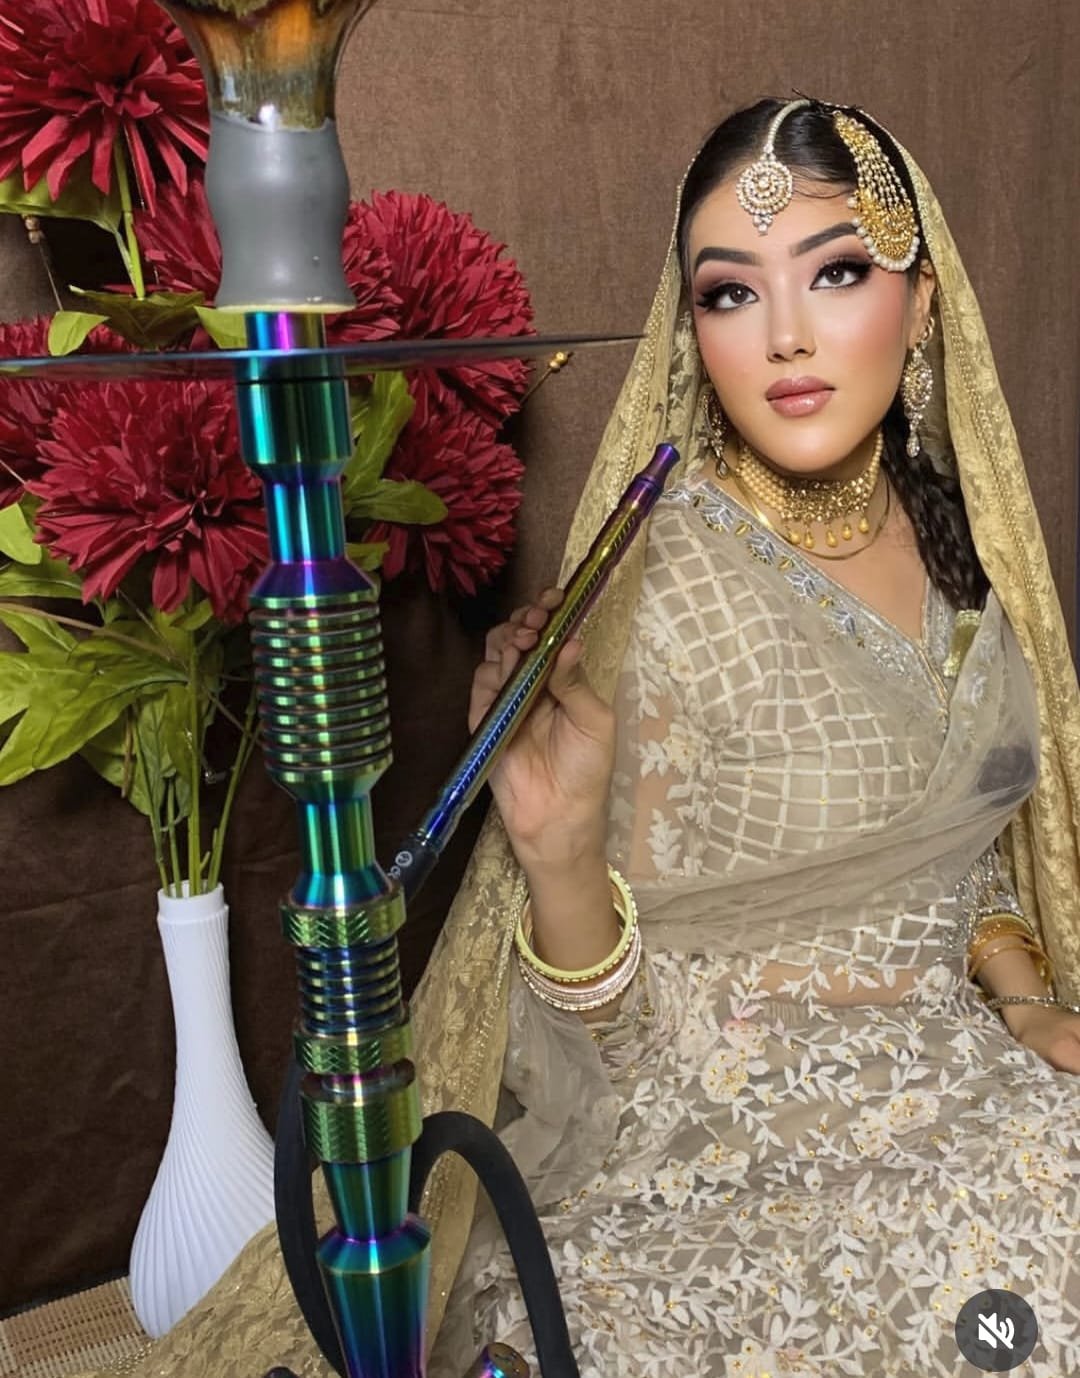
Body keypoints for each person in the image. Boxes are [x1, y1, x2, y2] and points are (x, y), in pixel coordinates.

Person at [106, 97, 1080, 1378]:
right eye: (731, 293)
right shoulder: (669, 582)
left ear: (925, 298)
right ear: (692, 327)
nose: (786, 335)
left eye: (836, 272)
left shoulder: (961, 540)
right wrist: (558, 850)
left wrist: (1025, 999)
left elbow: (964, 847)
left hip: (961, 1075)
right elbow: (609, 1052)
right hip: (738, 1138)